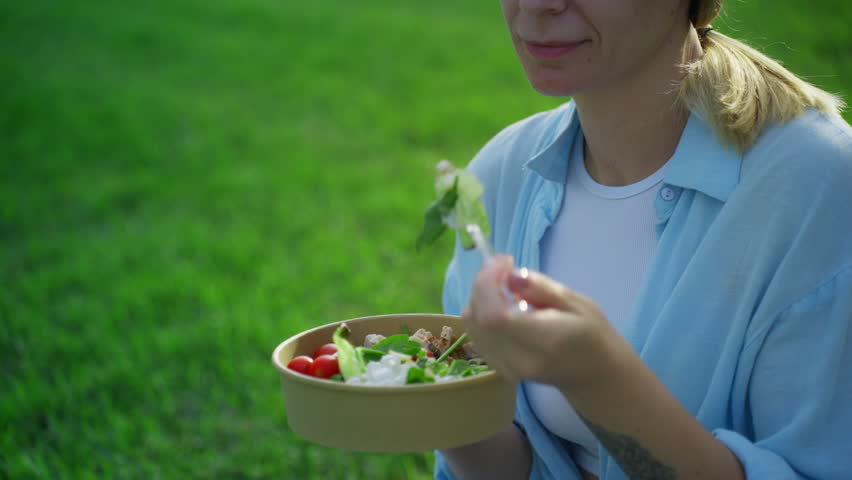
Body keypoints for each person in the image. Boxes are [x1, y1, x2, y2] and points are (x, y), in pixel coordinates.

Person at [433, 1, 851, 479]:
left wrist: (601, 382)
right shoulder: (503, 172)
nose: (537, 4)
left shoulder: (821, 190)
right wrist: (434, 402)